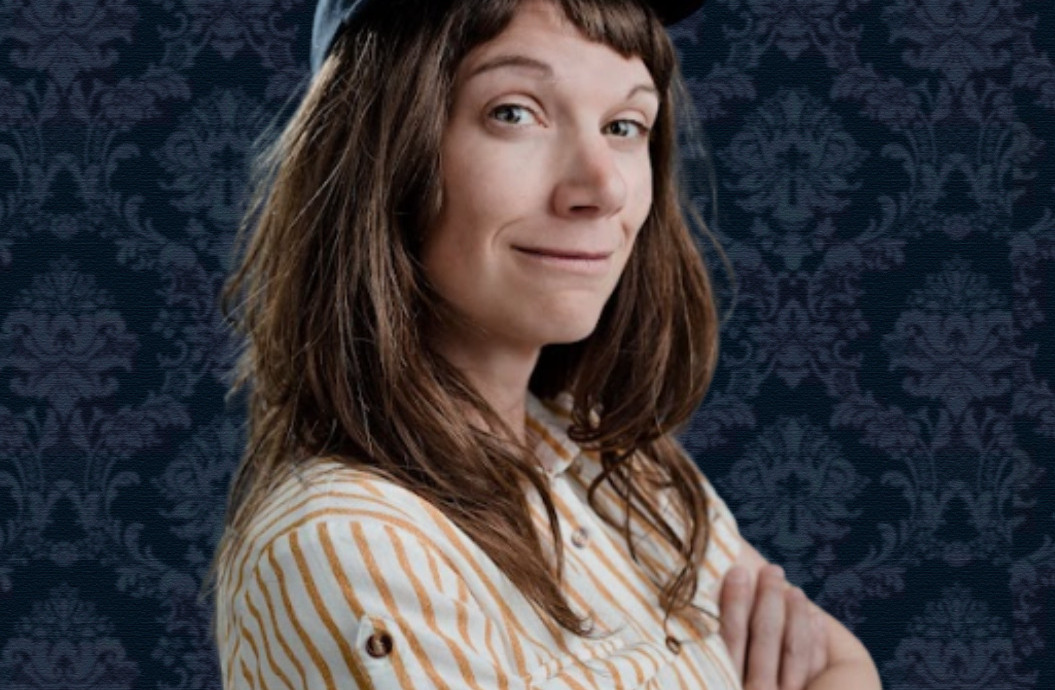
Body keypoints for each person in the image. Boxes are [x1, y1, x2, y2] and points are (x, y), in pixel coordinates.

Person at [206, 0, 882, 687]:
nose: (602, 186)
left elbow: (838, 664)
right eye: (514, 113)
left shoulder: (630, 475)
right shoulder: (350, 541)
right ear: (380, 154)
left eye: (624, 126)